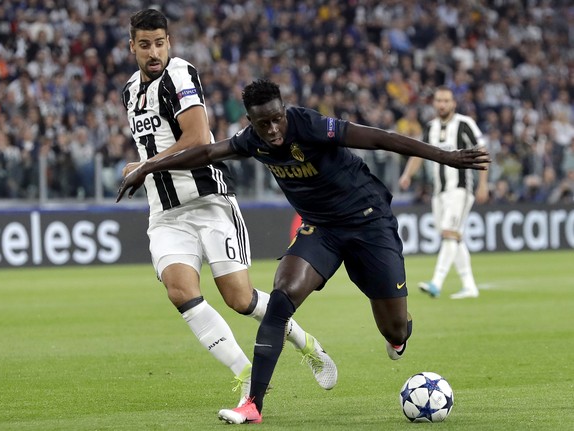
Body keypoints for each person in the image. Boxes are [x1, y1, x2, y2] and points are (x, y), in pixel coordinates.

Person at [117, 79, 490, 424]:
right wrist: (148, 167)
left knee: (393, 327)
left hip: (369, 223)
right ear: (252, 121)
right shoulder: (252, 140)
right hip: (322, 230)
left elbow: (378, 138)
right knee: (281, 299)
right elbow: (206, 152)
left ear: (285, 111)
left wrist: (445, 157)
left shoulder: (311, 126)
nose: (274, 130)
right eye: (264, 124)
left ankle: (399, 334)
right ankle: (253, 405)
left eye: (278, 119)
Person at [121, 9, 337, 407]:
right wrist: (140, 165)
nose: (154, 52)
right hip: (166, 213)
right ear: (131, 46)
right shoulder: (130, 91)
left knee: (240, 300)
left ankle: (305, 342)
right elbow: (153, 146)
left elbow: (199, 137)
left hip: (208, 203)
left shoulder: (180, 76)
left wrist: (146, 166)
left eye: (160, 42)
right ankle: (245, 373)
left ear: (169, 42)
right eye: (145, 44)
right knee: (180, 291)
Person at [399, 86, 489, 299]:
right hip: (438, 192)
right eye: (439, 100)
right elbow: (418, 155)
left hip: (459, 188)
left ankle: (436, 283)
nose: (442, 104)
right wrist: (407, 175)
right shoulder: (430, 128)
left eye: (446, 101)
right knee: (453, 237)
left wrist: (483, 184)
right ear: (434, 103)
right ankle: (469, 286)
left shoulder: (465, 124)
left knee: (450, 233)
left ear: (453, 103)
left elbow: (482, 151)